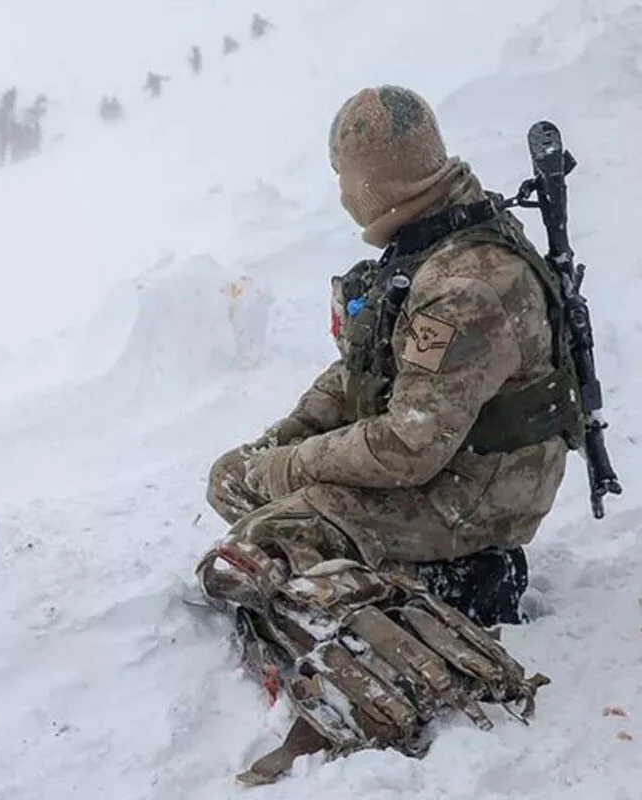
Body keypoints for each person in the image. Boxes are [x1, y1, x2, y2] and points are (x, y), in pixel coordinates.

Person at [196, 84, 572, 783]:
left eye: (345, 180)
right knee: (232, 479)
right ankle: (408, 576)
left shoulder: (464, 283)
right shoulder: (428, 241)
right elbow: (362, 370)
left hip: (483, 493)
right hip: (445, 461)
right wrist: (286, 439)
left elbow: (410, 444)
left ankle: (428, 629)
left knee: (270, 538)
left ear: (369, 183)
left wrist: (291, 468)